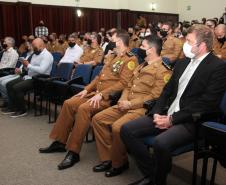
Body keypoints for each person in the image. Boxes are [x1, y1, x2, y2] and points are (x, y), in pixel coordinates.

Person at [120, 24, 226, 185]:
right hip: (166, 112)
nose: (185, 44)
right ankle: (153, 173)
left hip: (191, 120)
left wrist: (172, 120)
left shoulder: (218, 67)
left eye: (189, 41)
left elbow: (206, 103)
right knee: (127, 130)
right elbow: (166, 91)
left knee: (160, 143)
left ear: (202, 45)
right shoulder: (182, 63)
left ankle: (157, 181)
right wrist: (156, 111)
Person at [38, 30, 138, 171]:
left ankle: (73, 152)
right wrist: (87, 89)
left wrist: (102, 94)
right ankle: (60, 142)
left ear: (120, 42)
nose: (110, 43)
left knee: (83, 109)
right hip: (96, 93)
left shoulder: (130, 59)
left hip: (109, 98)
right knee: (69, 103)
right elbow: (100, 77)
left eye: (113, 41)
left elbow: (123, 83)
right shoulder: (114, 57)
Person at [92, 35, 172, 177]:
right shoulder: (142, 65)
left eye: (143, 46)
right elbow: (128, 86)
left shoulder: (163, 70)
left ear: (151, 50)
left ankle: (119, 163)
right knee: (98, 119)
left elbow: (155, 96)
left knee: (117, 127)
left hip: (141, 108)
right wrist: (122, 100)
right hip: (125, 103)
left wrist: (130, 104)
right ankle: (107, 158)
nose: (139, 49)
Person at [2, 38, 53, 118]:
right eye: (33, 46)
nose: (33, 49)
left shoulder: (47, 56)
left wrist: (28, 65)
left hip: (39, 79)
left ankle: (22, 110)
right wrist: (25, 67)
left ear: (41, 45)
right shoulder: (35, 54)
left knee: (16, 88)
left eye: (34, 47)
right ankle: (13, 107)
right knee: (9, 84)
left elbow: (42, 70)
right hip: (29, 77)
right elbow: (30, 67)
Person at [0, 42, 33, 108]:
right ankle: (7, 100)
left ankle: (11, 102)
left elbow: (30, 68)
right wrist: (16, 68)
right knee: (0, 80)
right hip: (17, 72)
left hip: (24, 74)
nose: (27, 46)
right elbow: (18, 63)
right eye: (26, 45)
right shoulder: (24, 53)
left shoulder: (33, 55)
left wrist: (21, 71)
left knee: (6, 83)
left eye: (29, 44)